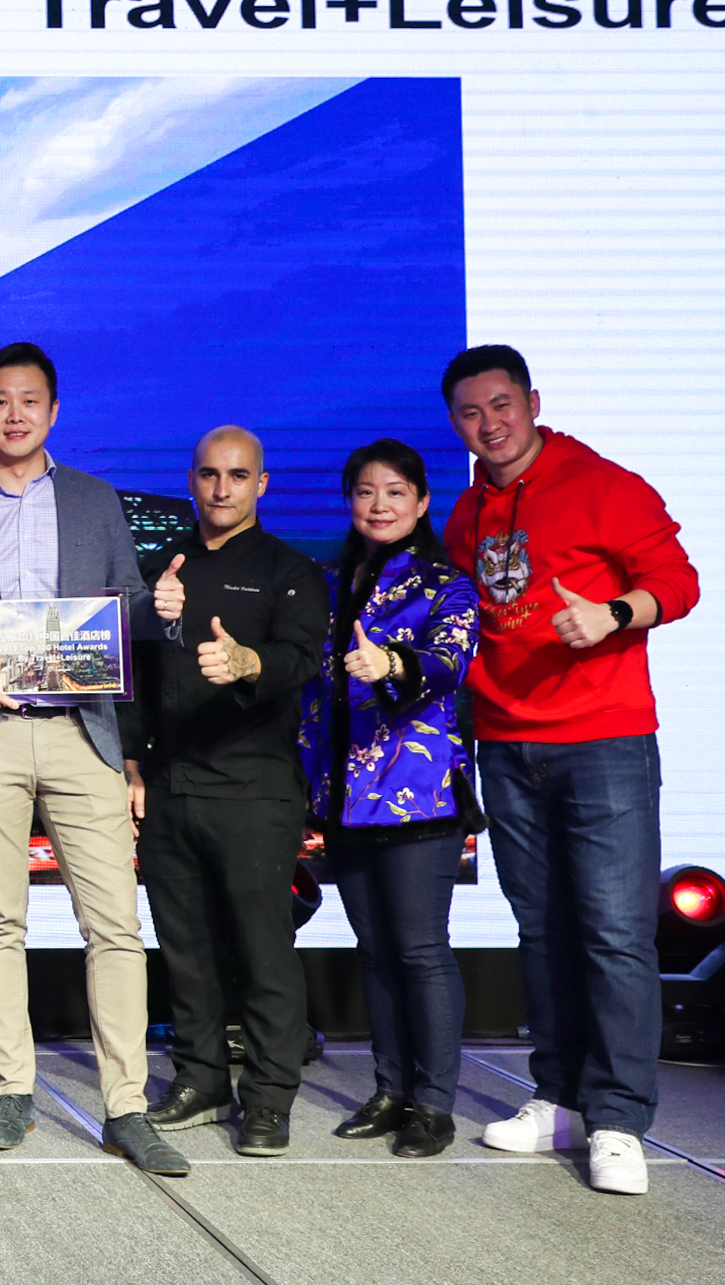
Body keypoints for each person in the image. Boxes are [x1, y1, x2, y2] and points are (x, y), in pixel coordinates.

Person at [0, 342, 185, 1174]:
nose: (14, 413)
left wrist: (161, 609)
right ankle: (13, 1090)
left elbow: (128, 608)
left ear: (54, 411)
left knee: (115, 925)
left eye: (29, 400)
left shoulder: (94, 499)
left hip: (81, 730)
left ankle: (126, 1105)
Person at [441, 345, 700, 1195]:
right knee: (542, 928)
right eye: (471, 412)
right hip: (507, 744)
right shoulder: (468, 513)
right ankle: (556, 1096)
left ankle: (617, 1118)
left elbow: (679, 581)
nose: (489, 423)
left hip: (603, 740)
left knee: (616, 932)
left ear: (533, 402)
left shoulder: (605, 485)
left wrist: (616, 613)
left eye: (502, 404)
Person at [130, 427, 325, 1157]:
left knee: (263, 951)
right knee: (185, 950)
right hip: (169, 786)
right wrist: (130, 765)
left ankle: (269, 1098)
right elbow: (129, 673)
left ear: (261, 484)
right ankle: (201, 1080)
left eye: (238, 475)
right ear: (191, 479)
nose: (222, 488)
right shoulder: (158, 569)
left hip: (255, 788)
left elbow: (302, 657)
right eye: (209, 474)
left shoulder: (290, 571)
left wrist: (248, 662)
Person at [299, 439, 480, 1159]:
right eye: (366, 491)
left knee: (421, 950)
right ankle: (390, 1088)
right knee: (374, 950)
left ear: (423, 501)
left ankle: (433, 1104)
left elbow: (450, 661)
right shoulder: (327, 582)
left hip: (418, 796)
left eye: (396, 491)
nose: (379, 504)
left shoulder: (446, 584)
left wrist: (391, 663)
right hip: (344, 798)